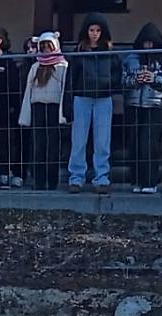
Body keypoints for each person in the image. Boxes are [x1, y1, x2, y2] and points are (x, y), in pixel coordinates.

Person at [123, 23, 162, 195]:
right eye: (145, 42)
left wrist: (153, 79)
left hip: (154, 105)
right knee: (134, 145)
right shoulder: (130, 58)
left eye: (151, 42)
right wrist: (135, 81)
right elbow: (122, 80)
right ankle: (137, 180)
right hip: (133, 105)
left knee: (150, 145)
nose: (148, 46)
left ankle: (151, 181)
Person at [66, 13, 117, 194]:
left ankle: (102, 178)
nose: (94, 34)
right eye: (91, 30)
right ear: (86, 31)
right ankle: (76, 177)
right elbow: (71, 78)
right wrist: (68, 103)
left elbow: (116, 73)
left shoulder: (110, 52)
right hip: (82, 98)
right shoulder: (79, 51)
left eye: (98, 30)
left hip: (104, 98)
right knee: (78, 140)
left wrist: (112, 86)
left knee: (103, 141)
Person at [18, 32, 69, 191]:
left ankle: (52, 180)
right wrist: (25, 115)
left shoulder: (62, 66)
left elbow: (64, 90)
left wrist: (63, 113)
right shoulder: (35, 67)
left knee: (53, 146)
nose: (46, 50)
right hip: (38, 107)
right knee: (38, 145)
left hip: (54, 108)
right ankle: (38, 180)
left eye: (49, 47)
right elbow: (28, 90)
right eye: (43, 47)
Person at [0, 29, 24, 189]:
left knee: (5, 141)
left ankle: (5, 173)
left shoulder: (8, 61)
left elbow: (13, 86)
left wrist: (13, 107)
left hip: (5, 108)